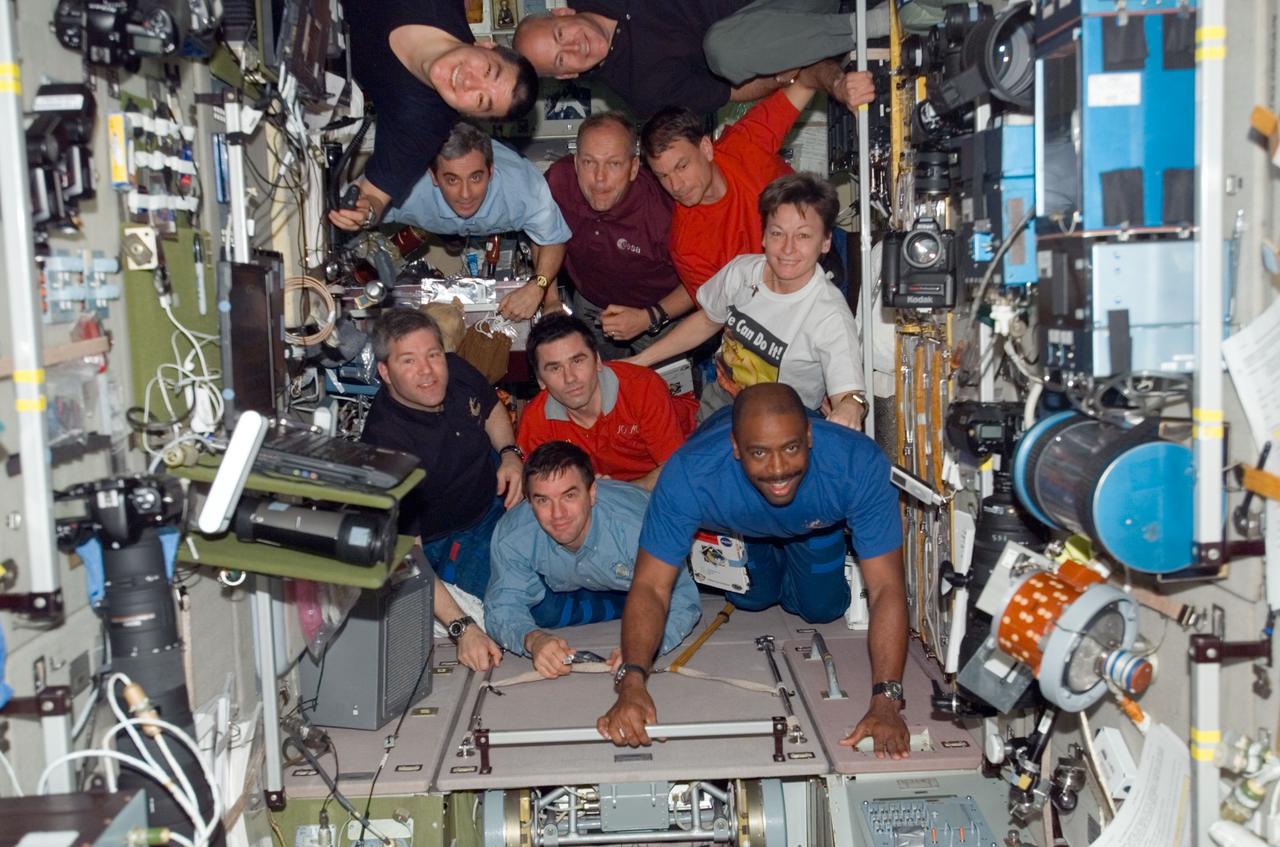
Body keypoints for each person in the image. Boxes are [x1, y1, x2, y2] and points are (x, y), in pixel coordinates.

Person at [597, 383, 910, 758]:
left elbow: (886, 588)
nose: (778, 469)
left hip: (816, 520)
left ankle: (797, 554)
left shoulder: (856, 463)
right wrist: (631, 681)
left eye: (791, 448)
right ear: (734, 447)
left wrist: (886, 699)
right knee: (753, 598)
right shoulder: (689, 475)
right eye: (758, 452)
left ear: (809, 436)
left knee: (822, 608)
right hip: (737, 523)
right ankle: (764, 553)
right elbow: (651, 586)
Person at [626, 173, 866, 428]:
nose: (787, 248)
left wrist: (851, 407)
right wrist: (636, 364)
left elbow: (849, 395)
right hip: (720, 404)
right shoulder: (741, 272)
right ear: (763, 236)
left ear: (826, 241)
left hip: (783, 424)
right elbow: (708, 319)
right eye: (777, 233)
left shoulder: (830, 314)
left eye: (803, 236)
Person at [360, 308, 523, 671]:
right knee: (523, 603)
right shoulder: (385, 449)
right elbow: (407, 554)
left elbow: (492, 406)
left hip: (494, 492)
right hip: (447, 539)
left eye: (432, 354)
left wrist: (511, 454)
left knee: (571, 540)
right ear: (385, 372)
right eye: (409, 360)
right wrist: (461, 627)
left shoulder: (457, 370)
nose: (428, 371)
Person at [641, 64, 874, 302]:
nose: (676, 185)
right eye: (663, 176)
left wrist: (839, 86)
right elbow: (725, 317)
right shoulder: (686, 246)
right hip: (790, 306)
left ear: (705, 148)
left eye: (682, 166)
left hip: (836, 251)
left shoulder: (746, 142)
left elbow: (806, 77)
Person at [486, 441, 702, 677]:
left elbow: (684, 601)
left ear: (591, 493)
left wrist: (642, 648)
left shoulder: (638, 528)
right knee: (540, 614)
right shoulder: (513, 535)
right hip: (571, 581)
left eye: (569, 496)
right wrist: (533, 640)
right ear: (529, 502)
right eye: (543, 500)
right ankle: (622, 607)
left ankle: (632, 606)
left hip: (642, 578)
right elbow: (502, 606)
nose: (558, 514)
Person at [327, 0, 538, 232]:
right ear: (486, 46)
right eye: (488, 71)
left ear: (469, 114)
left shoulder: (424, 126)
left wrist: (364, 213)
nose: (469, 82)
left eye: (480, 100)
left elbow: (374, 197)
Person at [337, 122, 572, 321]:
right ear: (433, 176)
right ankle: (451, 238)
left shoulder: (523, 188)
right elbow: (364, 205)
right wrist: (364, 214)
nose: (465, 194)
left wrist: (540, 289)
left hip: (499, 207)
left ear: (490, 171)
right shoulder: (406, 182)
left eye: (476, 177)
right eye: (452, 179)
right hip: (432, 220)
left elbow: (551, 239)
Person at [512, 0, 889, 116]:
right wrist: (785, 75)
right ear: (565, 78)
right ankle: (870, 24)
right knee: (723, 49)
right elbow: (732, 92)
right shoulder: (642, 91)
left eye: (561, 36)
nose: (574, 48)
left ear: (561, 13)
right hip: (797, 24)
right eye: (561, 60)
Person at [545, 113, 692, 358]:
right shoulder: (559, 182)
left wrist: (649, 317)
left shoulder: (666, 211)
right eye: (589, 162)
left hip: (658, 314)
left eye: (614, 164)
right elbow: (544, 234)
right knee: (595, 382)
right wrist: (549, 298)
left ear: (634, 168)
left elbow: (700, 283)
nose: (599, 179)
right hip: (590, 303)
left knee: (659, 390)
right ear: (576, 162)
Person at [518, 314, 697, 490]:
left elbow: (675, 471)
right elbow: (543, 492)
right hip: (598, 497)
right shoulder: (535, 421)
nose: (570, 377)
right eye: (555, 368)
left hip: (679, 467)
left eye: (578, 361)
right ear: (540, 380)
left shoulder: (642, 387)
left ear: (597, 361)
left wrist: (616, 494)